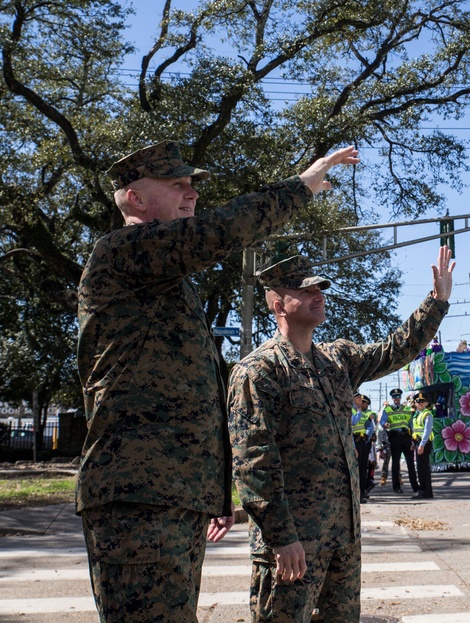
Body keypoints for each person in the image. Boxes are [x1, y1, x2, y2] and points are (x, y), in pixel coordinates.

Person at [75, 139, 359, 623]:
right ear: (136, 199)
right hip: (136, 498)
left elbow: (198, 397)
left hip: (170, 497)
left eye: (192, 186)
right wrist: (302, 187)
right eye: (176, 185)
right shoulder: (121, 253)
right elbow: (218, 232)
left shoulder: (167, 282)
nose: (191, 195)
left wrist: (216, 493)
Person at [227, 246, 454, 623]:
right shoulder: (259, 371)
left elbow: (395, 349)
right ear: (278, 305)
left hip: (341, 537)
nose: (318, 296)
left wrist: (437, 301)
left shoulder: (336, 360)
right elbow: (254, 464)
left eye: (320, 288)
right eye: (305, 290)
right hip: (294, 542)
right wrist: (281, 537)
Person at [381, 386, 419, 494]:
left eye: (398, 396)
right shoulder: (387, 409)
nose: (396, 398)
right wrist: (385, 424)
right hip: (395, 438)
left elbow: (411, 424)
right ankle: (396, 487)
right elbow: (382, 421)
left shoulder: (407, 409)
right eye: (394, 397)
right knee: (395, 464)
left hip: (406, 438)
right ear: (392, 398)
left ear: (400, 397)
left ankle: (415, 486)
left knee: (410, 463)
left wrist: (413, 438)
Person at [351, 394, 377, 504]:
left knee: (362, 469)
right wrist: (359, 412)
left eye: (361, 400)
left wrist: (368, 437)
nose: (360, 401)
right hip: (354, 442)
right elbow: (353, 422)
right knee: (355, 469)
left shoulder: (365, 413)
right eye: (358, 399)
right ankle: (355, 494)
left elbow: (370, 426)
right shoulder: (351, 410)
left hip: (363, 442)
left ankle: (361, 493)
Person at [411, 392, 435, 500]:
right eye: (417, 401)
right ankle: (423, 491)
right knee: (420, 468)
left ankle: (426, 492)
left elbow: (427, 430)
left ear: (426, 403)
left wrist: (421, 445)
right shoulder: (416, 414)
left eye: (422, 401)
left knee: (423, 468)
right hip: (418, 442)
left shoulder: (427, 414)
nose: (420, 403)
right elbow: (416, 430)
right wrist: (414, 444)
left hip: (424, 443)